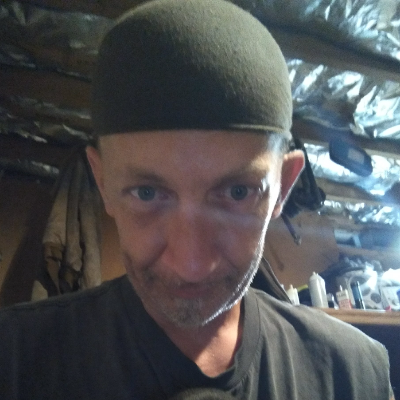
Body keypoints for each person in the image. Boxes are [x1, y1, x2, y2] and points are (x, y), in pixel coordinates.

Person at [0, 0, 393, 399]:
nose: (191, 264)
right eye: (147, 193)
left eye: (237, 192)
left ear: (283, 185)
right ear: (103, 184)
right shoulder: (14, 361)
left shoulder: (353, 373)